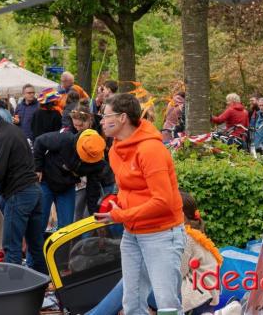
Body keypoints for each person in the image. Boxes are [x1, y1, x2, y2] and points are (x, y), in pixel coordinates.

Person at [95, 93, 185, 314]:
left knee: (167, 304)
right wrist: (115, 203)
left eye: (106, 116)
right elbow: (129, 189)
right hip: (132, 233)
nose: (101, 121)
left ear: (123, 117)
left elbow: (163, 201)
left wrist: (120, 216)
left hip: (162, 234)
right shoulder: (116, 149)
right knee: (132, 302)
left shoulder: (150, 149)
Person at [86, 192, 222, 315]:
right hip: (199, 296)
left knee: (131, 283)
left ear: (181, 215)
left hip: (194, 299)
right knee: (133, 282)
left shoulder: (186, 237)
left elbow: (173, 274)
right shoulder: (188, 233)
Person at [0, 100, 47, 273]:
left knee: (12, 246)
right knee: (35, 246)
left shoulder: (1, 137)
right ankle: (44, 285)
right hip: (34, 191)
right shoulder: (13, 130)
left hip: (19, 194)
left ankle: (13, 292)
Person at [34, 129, 106, 230]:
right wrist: (38, 168)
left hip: (67, 187)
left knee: (66, 228)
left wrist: (95, 214)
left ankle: (63, 246)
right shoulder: (65, 139)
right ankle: (34, 246)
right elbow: (39, 141)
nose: (84, 159)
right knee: (39, 223)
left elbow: (93, 189)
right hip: (46, 181)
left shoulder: (98, 164)